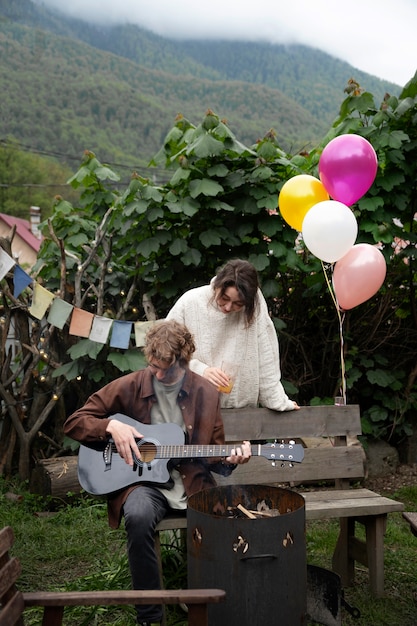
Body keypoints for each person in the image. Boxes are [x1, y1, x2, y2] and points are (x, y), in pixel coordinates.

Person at [64, 319, 251, 626]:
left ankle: (215, 608)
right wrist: (110, 426)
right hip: (144, 485)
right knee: (136, 516)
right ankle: (150, 617)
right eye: (154, 367)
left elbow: (215, 457)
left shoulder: (206, 392)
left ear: (184, 362)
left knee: (226, 522)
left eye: (168, 369)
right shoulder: (132, 384)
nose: (159, 375)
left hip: (193, 486)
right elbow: (75, 422)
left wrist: (233, 459)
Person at [166, 259, 299, 411]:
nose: (228, 307)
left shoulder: (254, 307)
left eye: (238, 304)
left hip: (242, 413)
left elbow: (266, 357)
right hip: (192, 410)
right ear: (217, 286)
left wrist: (278, 401)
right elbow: (164, 354)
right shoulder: (190, 302)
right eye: (225, 298)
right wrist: (200, 370)